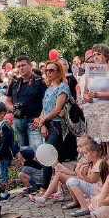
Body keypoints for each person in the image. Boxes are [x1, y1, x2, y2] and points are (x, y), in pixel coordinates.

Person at [33, 60, 70, 192]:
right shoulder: (49, 88)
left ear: (59, 72)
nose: (48, 73)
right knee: (55, 159)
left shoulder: (62, 87)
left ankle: (44, 188)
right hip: (48, 123)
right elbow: (45, 108)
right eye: (46, 70)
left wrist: (43, 121)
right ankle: (59, 188)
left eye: (51, 70)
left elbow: (57, 109)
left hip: (57, 124)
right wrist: (42, 122)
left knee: (48, 155)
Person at [83, 44, 109, 157]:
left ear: (106, 55)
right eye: (94, 55)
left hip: (108, 110)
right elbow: (84, 91)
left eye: (99, 54)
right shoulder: (91, 70)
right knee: (95, 142)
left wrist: (99, 95)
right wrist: (87, 97)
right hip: (93, 110)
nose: (96, 57)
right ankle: (98, 169)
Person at [6, 55, 46, 150]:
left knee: (36, 150)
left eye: (23, 65)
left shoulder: (40, 81)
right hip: (18, 120)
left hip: (34, 121)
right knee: (22, 151)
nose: (21, 68)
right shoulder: (15, 82)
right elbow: (8, 100)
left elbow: (46, 102)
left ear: (30, 65)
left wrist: (41, 118)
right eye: (19, 66)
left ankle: (35, 165)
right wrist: (10, 107)